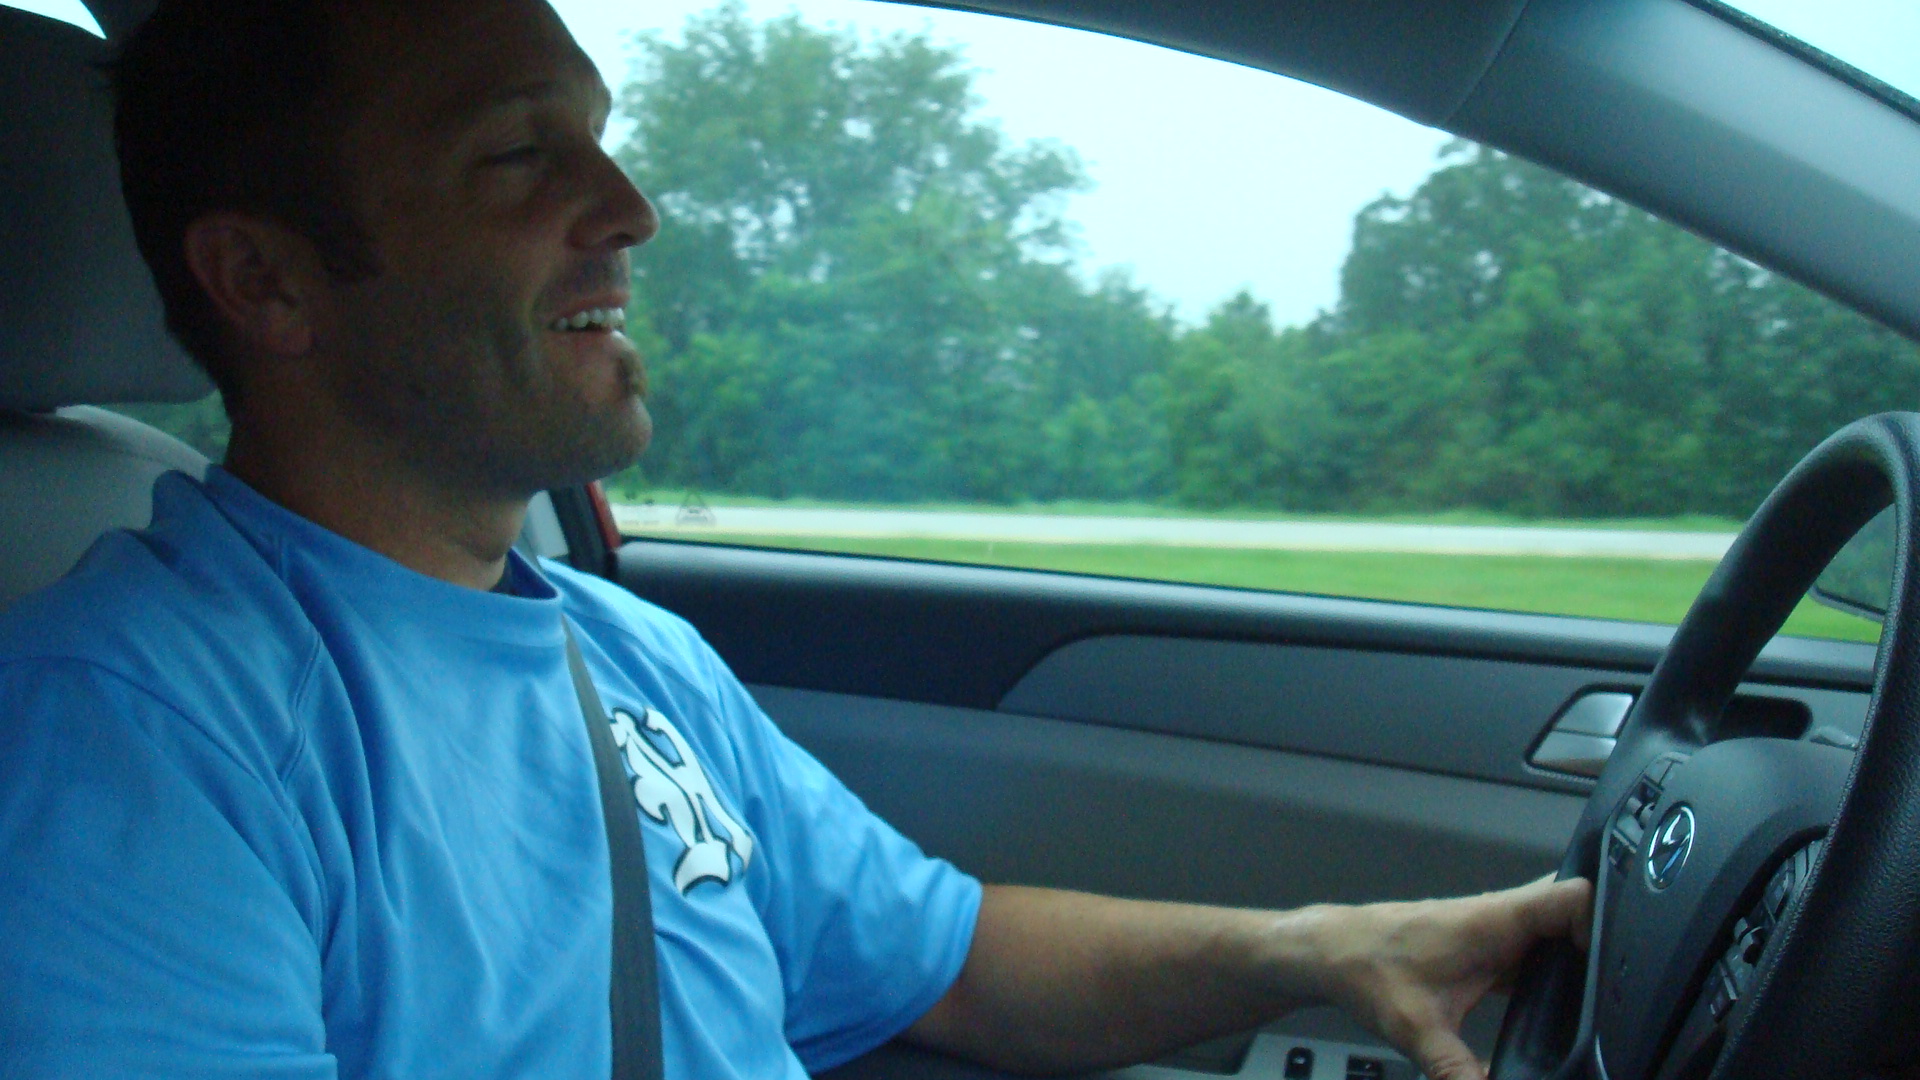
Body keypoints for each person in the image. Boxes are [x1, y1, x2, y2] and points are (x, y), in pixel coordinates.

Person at [0, 1, 1591, 1078]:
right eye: (518, 154)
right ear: (267, 281)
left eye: (599, 136)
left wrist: (1326, 947)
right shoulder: (135, 727)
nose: (629, 208)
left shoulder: (625, 654)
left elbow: (950, 959)